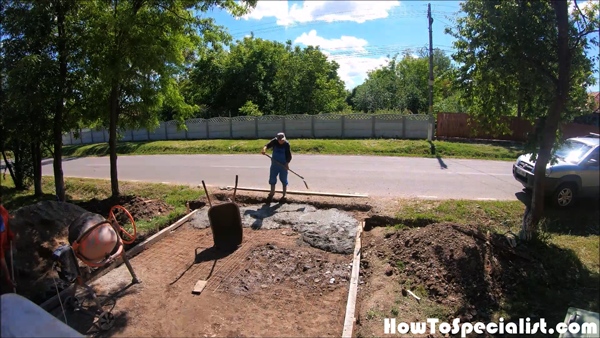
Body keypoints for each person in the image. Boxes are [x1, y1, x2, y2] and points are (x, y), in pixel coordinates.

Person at [261, 132, 292, 201]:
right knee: (272, 178)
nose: (281, 141)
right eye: (280, 140)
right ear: (277, 139)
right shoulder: (274, 141)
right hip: (274, 164)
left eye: (283, 140)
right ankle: (272, 192)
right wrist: (264, 149)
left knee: (283, 179)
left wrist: (287, 164)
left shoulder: (286, 144)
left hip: (283, 165)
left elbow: (288, 155)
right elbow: (267, 145)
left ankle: (284, 195)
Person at [0, 204, 16, 290]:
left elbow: (7, 224)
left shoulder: (2, 211)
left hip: (5, 245)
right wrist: (7, 277)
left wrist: (10, 237)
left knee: (11, 260)